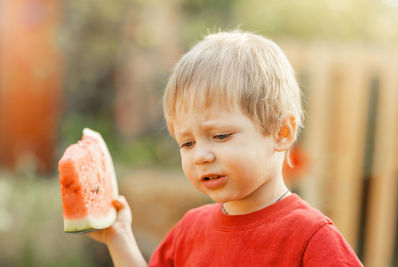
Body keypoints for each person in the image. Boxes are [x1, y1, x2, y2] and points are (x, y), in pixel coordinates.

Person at [87, 30, 363, 266]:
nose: (201, 156)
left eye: (220, 136)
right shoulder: (189, 231)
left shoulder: (311, 237)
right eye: (187, 143)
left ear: (281, 132)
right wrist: (118, 236)